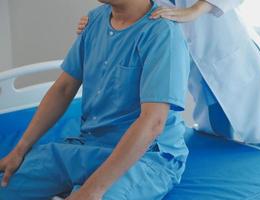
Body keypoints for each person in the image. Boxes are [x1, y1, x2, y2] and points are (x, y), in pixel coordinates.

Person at [0, 0, 190, 199]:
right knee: (6, 185)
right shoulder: (95, 20)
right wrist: (19, 150)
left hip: (146, 156)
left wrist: (93, 189)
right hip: (90, 145)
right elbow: (63, 89)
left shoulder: (162, 34)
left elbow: (153, 122)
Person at [77, 0, 260, 150]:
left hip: (233, 58)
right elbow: (132, 6)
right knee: (218, 142)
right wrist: (99, 18)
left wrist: (196, 9)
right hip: (200, 70)